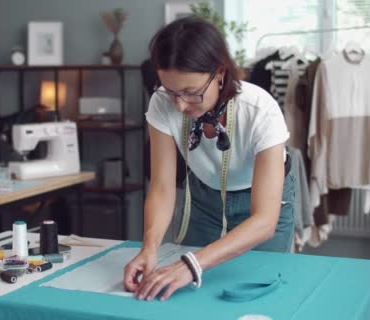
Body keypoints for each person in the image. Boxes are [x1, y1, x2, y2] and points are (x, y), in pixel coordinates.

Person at [123, 17, 295, 302]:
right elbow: (163, 188)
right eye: (171, 91)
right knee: (195, 295)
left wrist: (192, 264)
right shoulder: (162, 103)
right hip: (204, 198)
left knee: (261, 293)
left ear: (219, 73)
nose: (179, 105)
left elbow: (265, 221)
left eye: (191, 93)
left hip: (262, 202)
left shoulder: (259, 110)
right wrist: (149, 248)